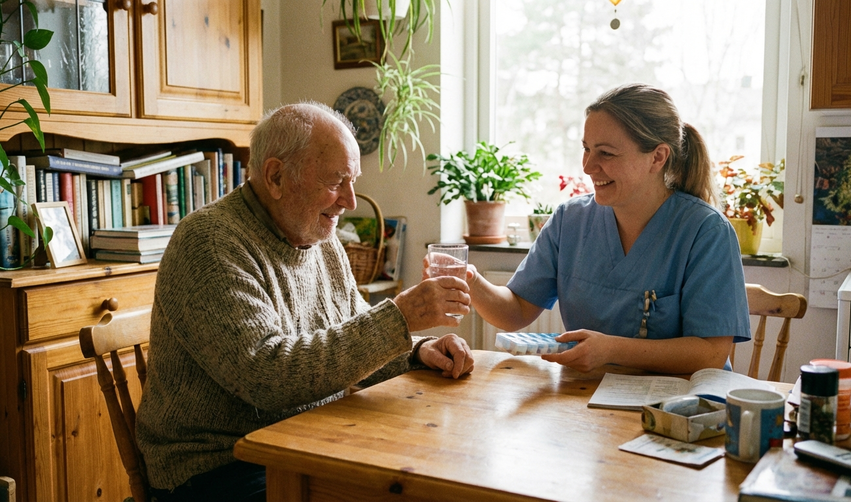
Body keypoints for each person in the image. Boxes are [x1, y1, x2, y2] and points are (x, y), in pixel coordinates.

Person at [136, 101, 475, 502]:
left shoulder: (317, 235)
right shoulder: (209, 242)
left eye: (353, 181)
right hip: (218, 468)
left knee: (438, 466)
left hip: (304, 439)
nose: (350, 200)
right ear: (276, 176)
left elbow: (351, 335)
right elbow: (267, 379)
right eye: (336, 181)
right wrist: (399, 318)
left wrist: (418, 352)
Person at [442, 83, 750, 375]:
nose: (588, 166)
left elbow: (710, 354)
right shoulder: (570, 220)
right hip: (585, 394)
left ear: (657, 157)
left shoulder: (706, 231)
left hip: (679, 402)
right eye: (586, 149)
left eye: (606, 153)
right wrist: (469, 279)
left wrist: (611, 350)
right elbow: (516, 310)